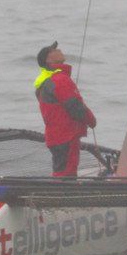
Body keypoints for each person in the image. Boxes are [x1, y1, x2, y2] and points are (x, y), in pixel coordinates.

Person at [33, 41, 97, 177]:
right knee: (66, 173)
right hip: (66, 136)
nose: (59, 50)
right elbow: (74, 106)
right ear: (49, 60)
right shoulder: (60, 80)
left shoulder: (47, 81)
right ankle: (62, 190)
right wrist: (91, 120)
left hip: (56, 136)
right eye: (53, 50)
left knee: (61, 171)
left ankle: (59, 189)